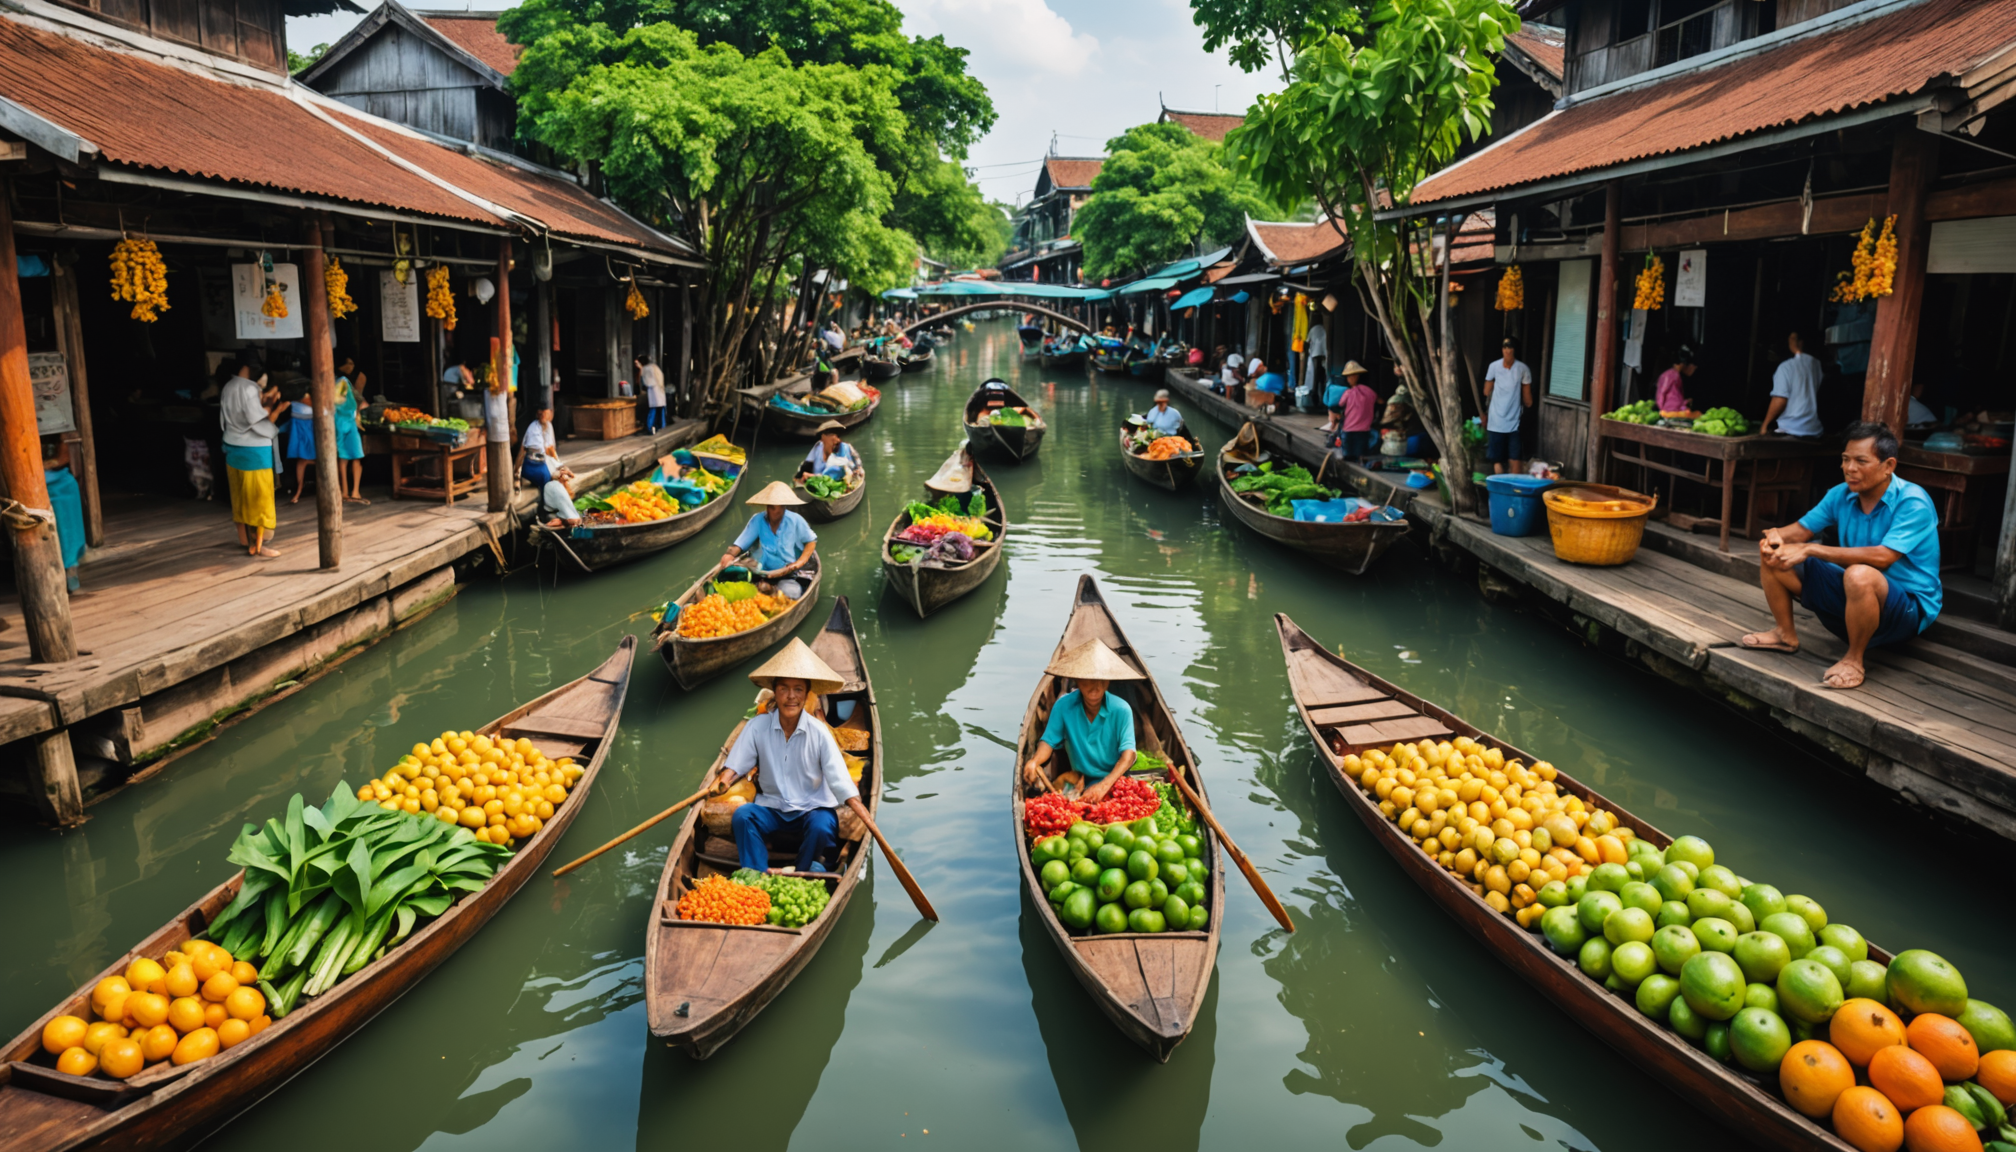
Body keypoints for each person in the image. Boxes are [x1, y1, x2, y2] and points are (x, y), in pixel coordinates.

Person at [1739, 422, 1940, 690]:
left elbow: (1882, 558)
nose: (1849, 468)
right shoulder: (1840, 494)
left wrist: (1811, 548)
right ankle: (1784, 634)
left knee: (1860, 573)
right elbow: (1799, 531)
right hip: (1855, 594)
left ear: (1888, 466)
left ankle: (1854, 660)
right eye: (1845, 460)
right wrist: (1775, 537)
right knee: (1775, 556)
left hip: (1907, 609)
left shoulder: (1913, 501)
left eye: (1860, 461)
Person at [711, 639, 872, 874]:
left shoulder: (819, 733)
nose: (791, 696)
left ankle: (801, 871)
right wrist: (724, 779)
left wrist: (856, 804)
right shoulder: (758, 726)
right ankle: (755, 875)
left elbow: (838, 777)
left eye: (798, 690)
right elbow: (738, 762)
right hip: (773, 808)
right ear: (775, 693)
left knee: (822, 826)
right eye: (784, 689)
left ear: (806, 695)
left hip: (812, 809)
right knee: (743, 816)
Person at [1018, 639, 1141, 803]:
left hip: (1114, 782)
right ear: (1077, 680)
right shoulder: (1063, 706)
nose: (1095, 687)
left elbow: (1129, 755)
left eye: (1101, 679)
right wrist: (1034, 761)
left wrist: (1104, 786)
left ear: (1109, 681)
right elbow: (1048, 741)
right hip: (1078, 779)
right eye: (1088, 679)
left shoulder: (1121, 710)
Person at [219, 357, 289, 558]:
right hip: (254, 450)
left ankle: (243, 540)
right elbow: (259, 418)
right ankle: (258, 546)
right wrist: (274, 407)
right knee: (260, 499)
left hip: (232, 446)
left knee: (239, 497)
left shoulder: (228, 387)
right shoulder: (248, 389)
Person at [719, 481, 817, 600]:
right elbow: (741, 542)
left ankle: (771, 592)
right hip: (762, 571)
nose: (778, 511)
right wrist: (729, 554)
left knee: (791, 594)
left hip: (787, 572)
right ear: (767, 506)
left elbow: (811, 541)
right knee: (732, 582)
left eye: (781, 507)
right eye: (773, 507)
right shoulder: (758, 520)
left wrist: (799, 562)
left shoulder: (795, 520)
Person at [1483, 337, 1534, 475]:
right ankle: (1507, 490)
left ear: (1514, 350)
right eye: (1505, 347)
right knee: (1507, 458)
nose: (1507, 351)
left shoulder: (1522, 369)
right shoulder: (1494, 367)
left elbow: (1486, 391)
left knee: (1510, 458)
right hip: (1496, 421)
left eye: (1509, 347)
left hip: (1512, 422)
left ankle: (1509, 489)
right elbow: (1486, 391)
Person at [42, 435, 84, 591]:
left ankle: (71, 568)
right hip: (36, 484)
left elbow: (63, 457)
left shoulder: (59, 431)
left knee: (68, 529)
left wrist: (44, 465)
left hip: (60, 484)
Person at [1765, 331, 1824, 437]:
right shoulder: (1817, 366)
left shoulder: (1786, 367)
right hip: (1815, 430)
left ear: (1800, 343)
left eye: (1791, 339)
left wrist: (1765, 425)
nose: (1789, 342)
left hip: (1790, 429)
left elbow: (1780, 400)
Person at [334, 356, 369, 504]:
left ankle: (345, 491)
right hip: (347, 421)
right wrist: (356, 409)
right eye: (348, 363)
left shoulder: (338, 381)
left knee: (343, 458)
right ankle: (353, 491)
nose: (351, 366)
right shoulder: (342, 381)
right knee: (355, 457)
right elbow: (339, 402)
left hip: (340, 422)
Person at [1330, 360, 1378, 458]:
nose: (1349, 379)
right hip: (1364, 429)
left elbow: (1339, 404)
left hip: (1350, 429)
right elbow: (1379, 401)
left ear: (1356, 376)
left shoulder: (1348, 393)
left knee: (1348, 455)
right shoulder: (1370, 392)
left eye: (1350, 376)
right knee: (1360, 453)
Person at [283, 384, 316, 503]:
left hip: (311, 426)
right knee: (301, 459)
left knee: (319, 457)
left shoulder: (307, 397)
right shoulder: (292, 398)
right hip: (298, 426)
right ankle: (299, 490)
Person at [519, 404, 560, 488]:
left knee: (562, 474)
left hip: (544, 461)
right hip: (533, 464)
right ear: (537, 415)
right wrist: (516, 472)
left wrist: (559, 464)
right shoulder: (533, 428)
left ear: (550, 414)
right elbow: (523, 451)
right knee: (546, 477)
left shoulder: (549, 426)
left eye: (545, 414)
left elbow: (551, 449)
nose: (543, 416)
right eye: (541, 415)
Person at [1656, 347, 1697, 414]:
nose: (1692, 370)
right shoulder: (1669, 375)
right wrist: (1662, 410)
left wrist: (1685, 402)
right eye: (1692, 367)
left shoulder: (1676, 375)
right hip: (1668, 412)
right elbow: (1661, 393)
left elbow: (1675, 398)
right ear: (1683, 364)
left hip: (1675, 411)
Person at [637, 355, 666, 433]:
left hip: (653, 391)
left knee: (653, 410)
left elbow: (645, 381)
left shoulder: (645, 369)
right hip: (660, 390)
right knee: (661, 410)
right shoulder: (654, 366)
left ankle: (649, 427)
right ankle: (662, 426)